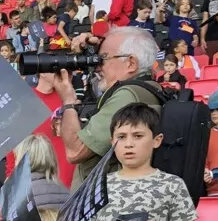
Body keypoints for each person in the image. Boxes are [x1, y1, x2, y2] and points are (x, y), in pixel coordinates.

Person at [56, 27, 162, 187]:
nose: (98, 67)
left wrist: (68, 101)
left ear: (131, 63)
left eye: (103, 59)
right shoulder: (147, 89)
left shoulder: (128, 96)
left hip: (109, 207)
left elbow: (75, 151)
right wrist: (93, 44)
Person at [91, 104, 197, 221]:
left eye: (138, 136)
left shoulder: (172, 184)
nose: (129, 144)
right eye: (121, 137)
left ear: (157, 140)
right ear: (112, 143)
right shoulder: (98, 185)